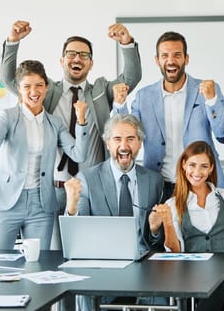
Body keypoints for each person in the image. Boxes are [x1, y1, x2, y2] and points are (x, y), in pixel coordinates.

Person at [0, 20, 142, 249]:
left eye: (83, 55)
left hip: (93, 188)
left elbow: (130, 78)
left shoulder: (100, 91)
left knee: (93, 251)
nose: (77, 59)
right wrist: (13, 42)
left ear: (91, 63)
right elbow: (10, 80)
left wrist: (126, 43)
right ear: (62, 60)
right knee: (56, 255)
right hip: (53, 189)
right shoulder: (47, 91)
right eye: (71, 54)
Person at [0, 60, 88, 250]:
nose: (34, 92)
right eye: (27, 86)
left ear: (47, 87)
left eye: (39, 86)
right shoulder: (8, 117)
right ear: (19, 89)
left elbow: (79, 154)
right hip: (6, 202)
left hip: (40, 205)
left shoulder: (54, 123)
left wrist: (81, 121)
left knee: (37, 265)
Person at [64, 113, 165, 310]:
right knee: (86, 292)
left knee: (164, 294)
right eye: (117, 139)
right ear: (108, 143)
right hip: (103, 263)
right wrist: (72, 207)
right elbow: (78, 236)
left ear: (140, 143)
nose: (124, 146)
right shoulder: (87, 179)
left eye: (130, 139)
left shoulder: (154, 181)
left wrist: (154, 230)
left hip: (143, 263)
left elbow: (156, 241)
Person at [117, 31, 224, 198]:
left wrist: (212, 101)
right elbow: (128, 135)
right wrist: (120, 105)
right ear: (157, 60)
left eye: (177, 55)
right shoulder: (144, 96)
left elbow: (223, 134)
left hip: (200, 186)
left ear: (186, 58)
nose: (171, 61)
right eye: (165, 56)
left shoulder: (206, 90)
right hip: (158, 187)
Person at [149, 140, 224, 311]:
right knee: (219, 289)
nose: (197, 172)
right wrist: (167, 222)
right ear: (183, 165)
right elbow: (175, 251)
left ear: (211, 168)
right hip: (193, 271)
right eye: (192, 165)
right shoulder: (173, 204)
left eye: (204, 166)